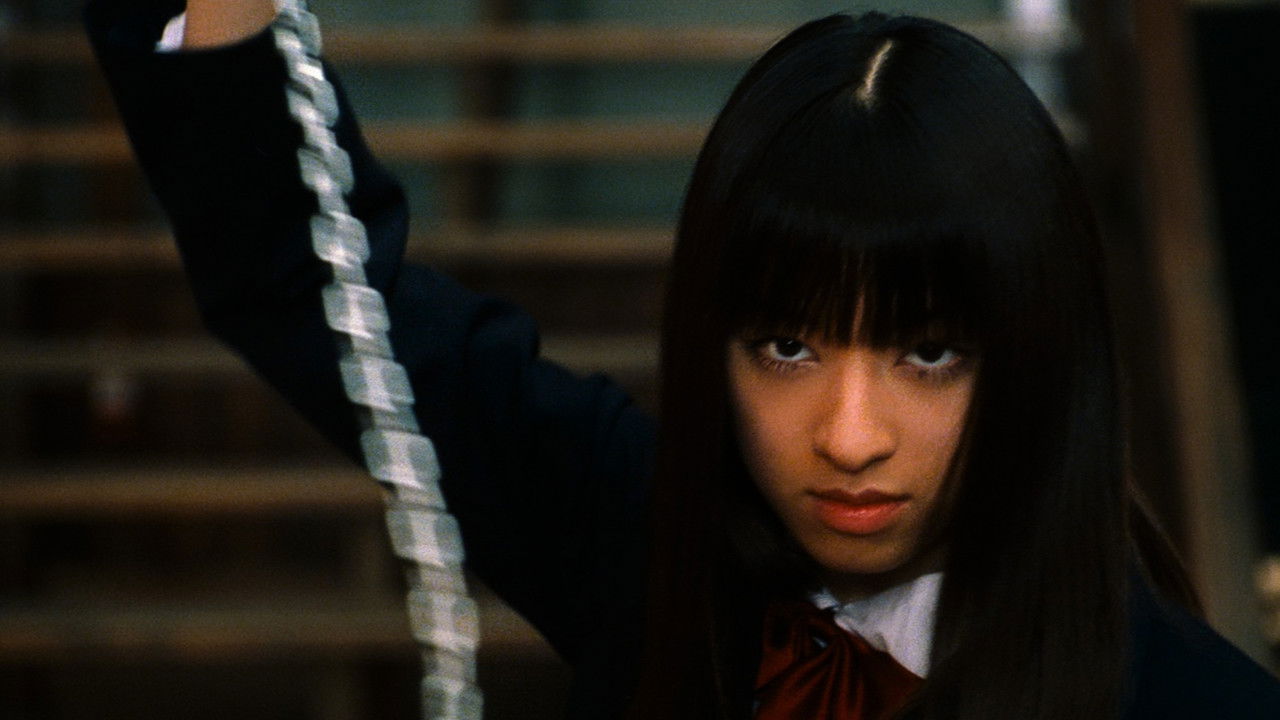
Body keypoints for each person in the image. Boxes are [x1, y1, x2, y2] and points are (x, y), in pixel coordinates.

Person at [85, 1, 1280, 718]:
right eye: (785, 346)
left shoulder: (1190, 701)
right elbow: (311, 288)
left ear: (1034, 355)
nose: (848, 435)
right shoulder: (640, 535)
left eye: (925, 353)